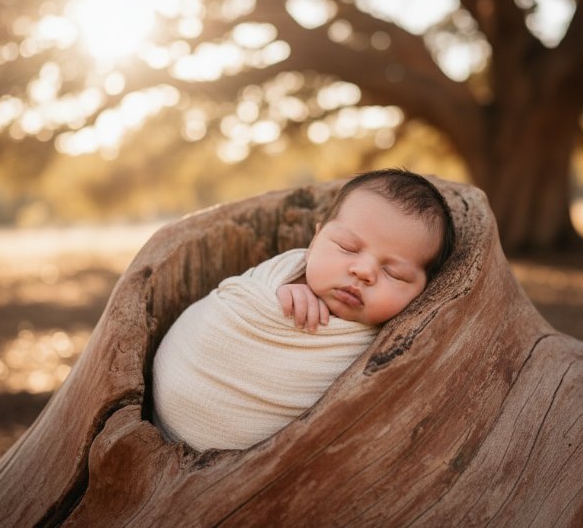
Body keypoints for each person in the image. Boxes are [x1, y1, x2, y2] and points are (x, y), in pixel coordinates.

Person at [151, 169, 455, 451]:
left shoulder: (398, 340)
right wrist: (285, 290)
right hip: (175, 400)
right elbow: (236, 303)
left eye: (395, 273)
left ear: (424, 290)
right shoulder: (278, 275)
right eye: (347, 247)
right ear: (315, 239)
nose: (363, 271)